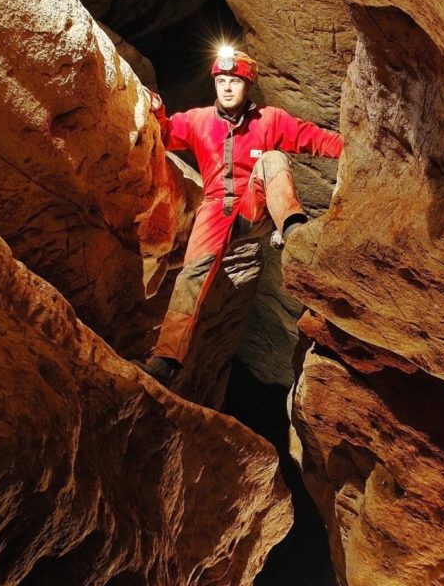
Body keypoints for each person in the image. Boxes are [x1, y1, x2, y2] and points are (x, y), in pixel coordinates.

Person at [140, 46, 343, 389]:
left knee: (272, 159)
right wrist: (156, 110)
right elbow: (166, 135)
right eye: (222, 81)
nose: (228, 87)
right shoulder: (198, 120)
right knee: (190, 277)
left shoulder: (270, 119)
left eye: (235, 81)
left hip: (255, 205)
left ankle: (292, 229)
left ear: (247, 85)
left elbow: (313, 138)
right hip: (216, 210)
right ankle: (166, 361)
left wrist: (353, 149)